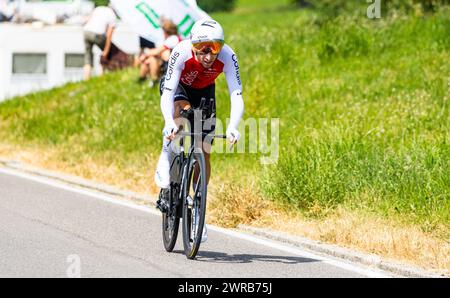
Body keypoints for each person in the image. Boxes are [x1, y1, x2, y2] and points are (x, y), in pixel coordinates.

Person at [154, 19, 244, 242]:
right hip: (179, 87)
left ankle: (198, 211)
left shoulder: (228, 56)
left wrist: (233, 126)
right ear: (193, 45)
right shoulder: (181, 51)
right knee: (180, 117)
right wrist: (169, 122)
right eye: (203, 48)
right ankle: (166, 157)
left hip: (204, 91)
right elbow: (168, 92)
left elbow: (236, 94)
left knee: (204, 149)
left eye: (215, 47)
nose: (209, 55)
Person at [138, 18, 181, 87]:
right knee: (149, 60)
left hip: (171, 64)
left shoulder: (173, 39)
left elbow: (157, 51)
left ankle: (151, 80)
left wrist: (145, 54)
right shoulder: (175, 38)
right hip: (170, 62)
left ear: (166, 31)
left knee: (152, 59)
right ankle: (143, 80)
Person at [83, 4, 117, 80]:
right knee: (108, 54)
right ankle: (102, 77)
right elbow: (109, 35)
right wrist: (106, 50)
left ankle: (86, 80)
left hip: (86, 31)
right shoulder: (112, 15)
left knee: (88, 57)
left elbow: (88, 19)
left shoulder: (98, 8)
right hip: (98, 34)